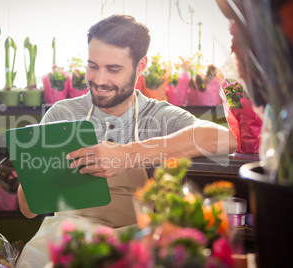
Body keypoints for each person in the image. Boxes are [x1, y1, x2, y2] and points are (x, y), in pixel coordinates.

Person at [16, 14, 237, 267]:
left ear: (141, 66)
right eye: (93, 66)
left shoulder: (157, 116)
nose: (99, 80)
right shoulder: (61, 115)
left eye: (113, 69)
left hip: (133, 243)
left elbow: (224, 139)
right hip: (66, 239)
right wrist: (37, 177)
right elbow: (27, 209)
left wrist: (127, 155)